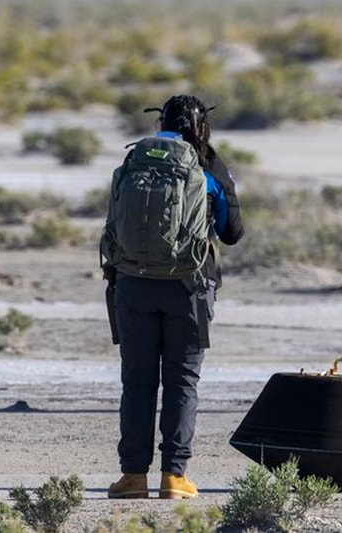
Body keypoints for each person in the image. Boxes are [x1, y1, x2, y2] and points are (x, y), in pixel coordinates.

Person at [103, 95, 244, 498]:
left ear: (160, 123)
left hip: (131, 284)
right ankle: (173, 477)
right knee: (182, 381)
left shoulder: (135, 160)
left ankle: (132, 477)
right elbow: (232, 232)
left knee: (137, 382)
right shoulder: (207, 168)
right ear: (202, 128)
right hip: (189, 290)